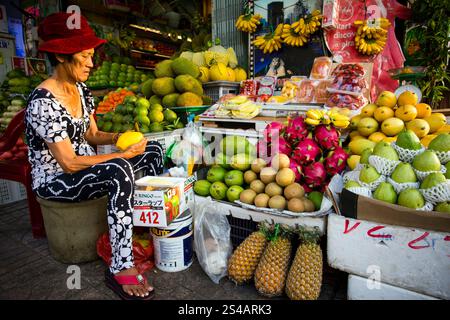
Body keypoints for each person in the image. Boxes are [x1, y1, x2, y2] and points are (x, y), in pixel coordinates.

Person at [24, 12, 163, 300]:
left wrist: (121, 139)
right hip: (57, 180)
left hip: (85, 170)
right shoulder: (42, 101)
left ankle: (143, 235)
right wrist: (119, 157)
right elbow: (69, 162)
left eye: (91, 55)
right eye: (84, 56)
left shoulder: (81, 89)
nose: (91, 62)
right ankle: (120, 266)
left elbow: (92, 135)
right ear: (61, 56)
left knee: (152, 151)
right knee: (119, 169)